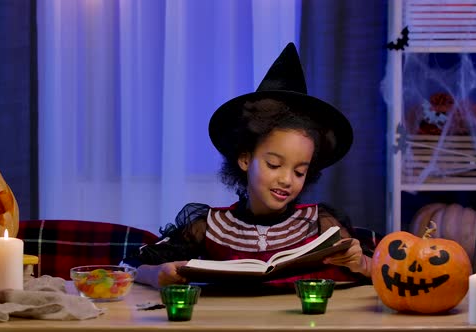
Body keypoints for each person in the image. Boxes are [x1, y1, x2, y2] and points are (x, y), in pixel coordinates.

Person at [123, 42, 372, 289]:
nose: (287, 179)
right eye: (274, 164)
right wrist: (157, 274)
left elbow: (380, 270)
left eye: (299, 171)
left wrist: (360, 263)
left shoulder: (319, 222)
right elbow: (129, 266)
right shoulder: (207, 226)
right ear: (244, 159)